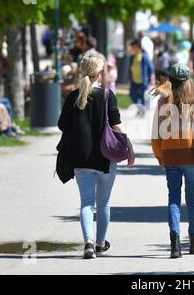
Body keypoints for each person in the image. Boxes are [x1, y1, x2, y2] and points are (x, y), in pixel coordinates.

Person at [58, 54, 135, 259]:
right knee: (104, 203)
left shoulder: (73, 97)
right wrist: (129, 146)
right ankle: (100, 243)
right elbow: (116, 123)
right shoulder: (108, 95)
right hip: (105, 157)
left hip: (81, 158)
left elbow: (62, 125)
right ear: (100, 73)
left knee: (86, 203)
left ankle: (88, 243)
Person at [151, 63, 194, 259]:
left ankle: (175, 243)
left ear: (170, 80)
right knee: (192, 198)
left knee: (174, 199)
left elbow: (156, 133)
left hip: (171, 156)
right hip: (190, 156)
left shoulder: (163, 102)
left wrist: (160, 154)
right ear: (188, 80)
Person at [129, 39, 155, 108]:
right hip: (134, 81)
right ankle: (139, 109)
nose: (132, 49)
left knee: (142, 97)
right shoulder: (132, 57)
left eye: (133, 47)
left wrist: (152, 79)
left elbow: (151, 69)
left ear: (138, 47)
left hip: (143, 82)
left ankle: (142, 112)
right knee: (132, 95)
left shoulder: (144, 57)